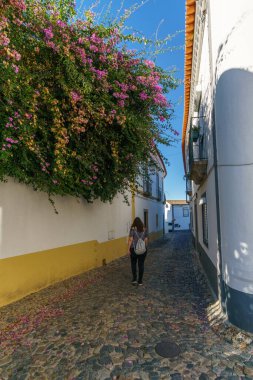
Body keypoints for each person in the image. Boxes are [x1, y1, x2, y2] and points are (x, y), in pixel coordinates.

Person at [127, 217, 148, 286]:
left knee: (133, 264)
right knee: (141, 265)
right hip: (143, 250)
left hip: (133, 249)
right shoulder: (144, 229)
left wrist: (128, 249)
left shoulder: (133, 229)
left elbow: (130, 239)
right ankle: (140, 281)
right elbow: (146, 239)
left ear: (134, 223)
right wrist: (145, 247)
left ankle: (134, 279)